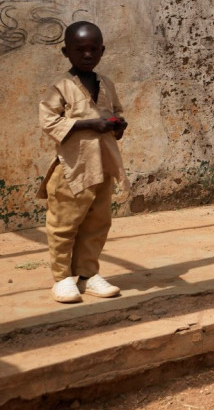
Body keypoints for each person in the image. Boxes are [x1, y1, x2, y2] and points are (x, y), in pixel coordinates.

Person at [39, 21, 128, 303]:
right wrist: (89, 124)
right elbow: (49, 121)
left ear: (102, 51)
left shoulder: (107, 84)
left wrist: (118, 125)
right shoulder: (61, 86)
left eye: (93, 49)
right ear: (67, 52)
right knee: (64, 224)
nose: (87, 55)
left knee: (97, 223)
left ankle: (88, 275)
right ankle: (62, 278)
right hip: (72, 168)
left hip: (103, 165)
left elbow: (116, 113)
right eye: (80, 50)